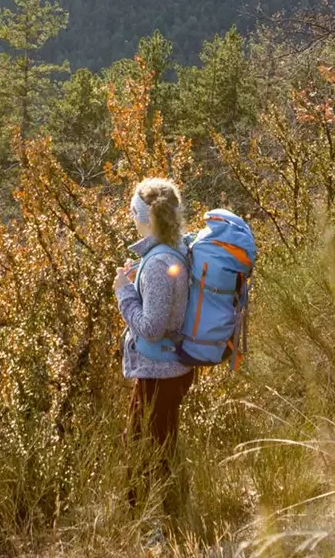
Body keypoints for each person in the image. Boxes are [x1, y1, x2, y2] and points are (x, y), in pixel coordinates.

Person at [113, 177, 194, 534]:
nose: (131, 218)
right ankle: (174, 524)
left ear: (144, 215)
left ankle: (149, 530)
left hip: (159, 371)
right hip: (170, 367)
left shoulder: (159, 264)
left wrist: (124, 293)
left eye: (133, 211)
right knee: (161, 446)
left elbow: (151, 326)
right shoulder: (173, 251)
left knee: (143, 452)